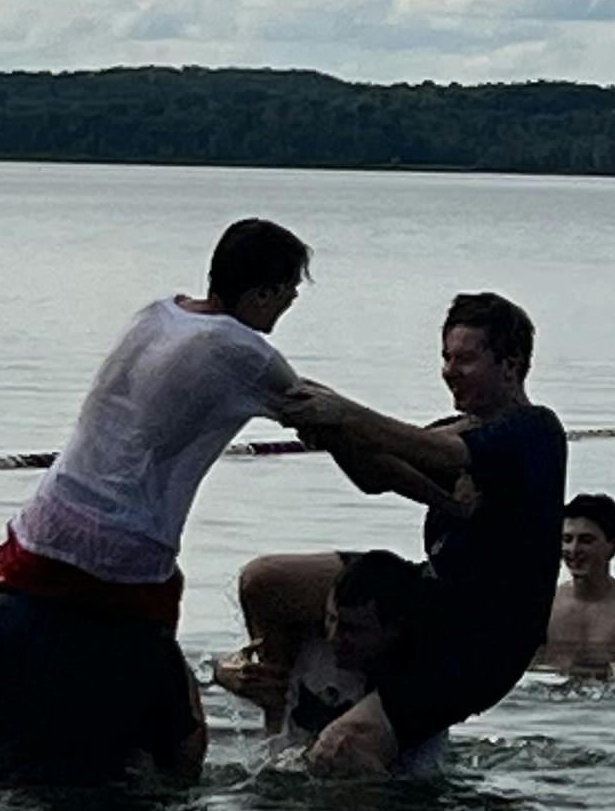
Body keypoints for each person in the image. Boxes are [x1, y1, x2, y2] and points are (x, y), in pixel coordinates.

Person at [0, 217, 415, 794]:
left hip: (46, 528)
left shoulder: (155, 314)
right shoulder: (248, 354)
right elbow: (358, 460)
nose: (283, 312)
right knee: (186, 743)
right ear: (264, 293)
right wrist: (440, 482)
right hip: (131, 561)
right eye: (287, 298)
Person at [232, 290, 566, 774]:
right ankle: (277, 737)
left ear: (511, 364)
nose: (451, 370)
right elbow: (375, 474)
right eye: (446, 357)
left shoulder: (535, 431)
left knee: (343, 748)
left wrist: (343, 413)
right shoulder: (454, 428)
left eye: (467, 359)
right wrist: (331, 433)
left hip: (484, 640)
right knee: (267, 582)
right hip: (431, 595)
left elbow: (440, 452)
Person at [280, 548, 443, 751]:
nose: (334, 637)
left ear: (393, 629)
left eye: (353, 629)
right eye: (331, 619)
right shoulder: (311, 646)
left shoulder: (411, 692)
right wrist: (233, 674)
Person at [539, 492, 615, 668]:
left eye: (586, 540)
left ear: (614, 545)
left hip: (609, 692)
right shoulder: (546, 603)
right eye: (567, 539)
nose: (573, 549)